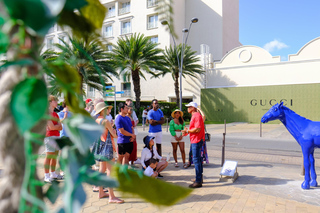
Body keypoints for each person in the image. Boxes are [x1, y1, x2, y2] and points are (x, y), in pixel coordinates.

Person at [92, 102, 124, 203]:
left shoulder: (97, 120)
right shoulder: (105, 121)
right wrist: (113, 129)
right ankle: (112, 196)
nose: (108, 110)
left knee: (102, 170)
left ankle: (101, 192)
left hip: (100, 146)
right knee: (110, 171)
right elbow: (114, 135)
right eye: (107, 109)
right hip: (107, 146)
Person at [182, 102, 205, 188]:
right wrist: (188, 131)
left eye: (189, 106)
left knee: (196, 160)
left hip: (196, 140)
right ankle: (199, 178)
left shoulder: (196, 116)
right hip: (195, 140)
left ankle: (198, 180)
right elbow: (195, 129)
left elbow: (197, 129)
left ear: (193, 108)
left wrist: (187, 131)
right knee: (197, 159)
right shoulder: (195, 116)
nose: (187, 108)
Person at [44, 95, 63, 183]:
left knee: (54, 156)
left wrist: (56, 126)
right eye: (55, 101)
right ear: (50, 102)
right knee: (49, 156)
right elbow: (51, 127)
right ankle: (46, 175)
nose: (56, 102)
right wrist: (57, 126)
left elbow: (60, 127)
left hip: (56, 136)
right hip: (49, 136)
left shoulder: (55, 113)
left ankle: (53, 173)